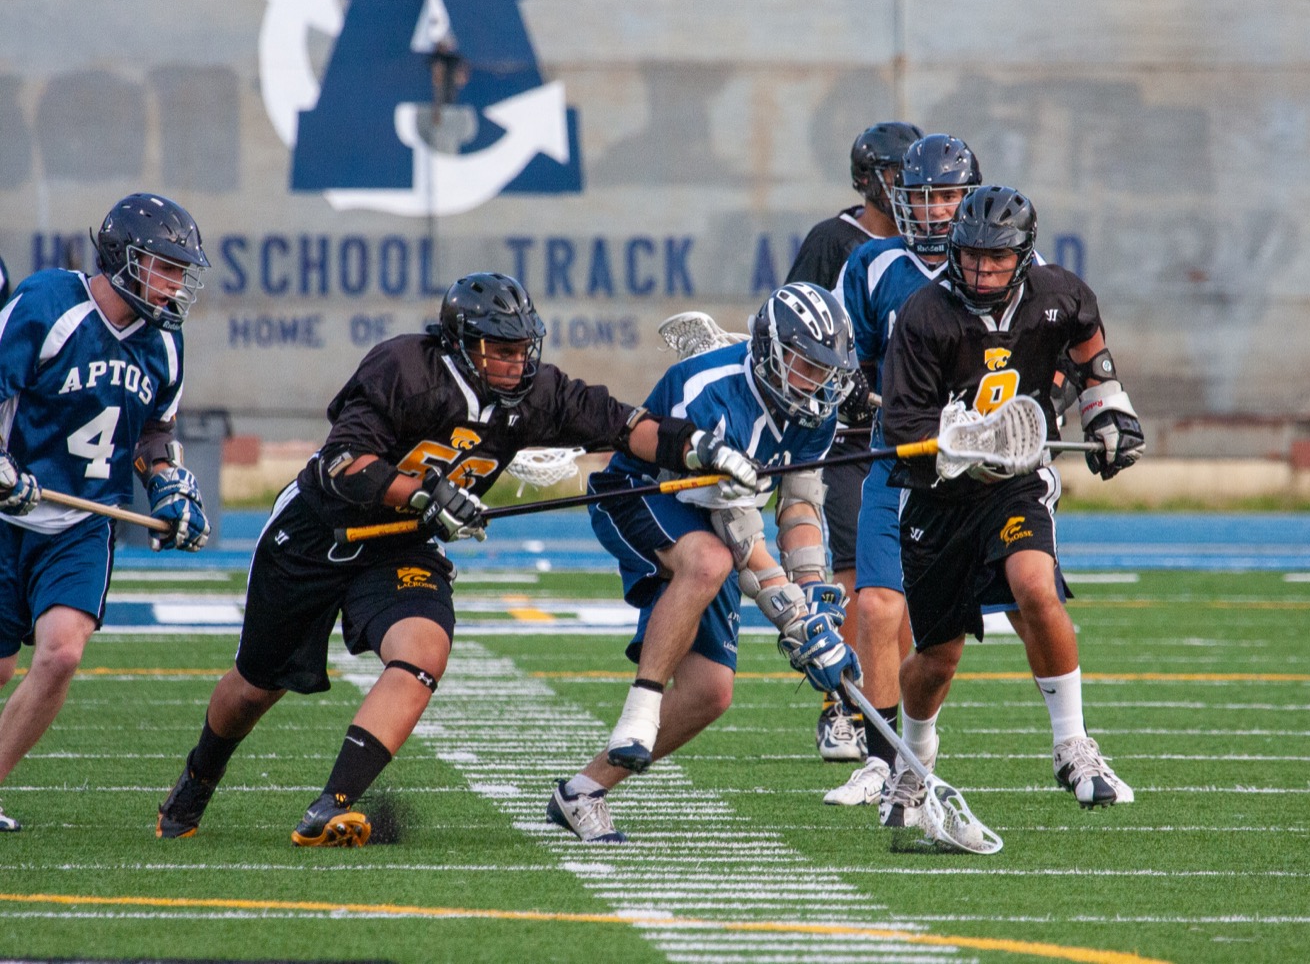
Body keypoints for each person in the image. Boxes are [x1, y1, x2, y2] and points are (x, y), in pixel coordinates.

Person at [155, 272, 766, 846]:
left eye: (523, 348)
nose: (516, 361)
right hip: (318, 535)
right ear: (461, 346)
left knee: (424, 650)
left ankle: (331, 804)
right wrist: (426, 494)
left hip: (397, 547)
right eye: (500, 350)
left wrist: (704, 451)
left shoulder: (537, 392)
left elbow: (624, 425)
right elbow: (343, 463)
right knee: (255, 688)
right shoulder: (403, 367)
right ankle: (198, 778)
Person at [547, 282, 861, 843]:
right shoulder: (713, 391)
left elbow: (801, 504)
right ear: (770, 352)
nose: (817, 381)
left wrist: (814, 598)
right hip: (639, 490)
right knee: (711, 560)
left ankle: (582, 791)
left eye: (826, 368)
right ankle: (639, 709)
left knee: (710, 691)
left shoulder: (816, 406)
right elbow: (738, 531)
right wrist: (791, 613)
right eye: (804, 365)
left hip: (711, 519)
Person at [876, 185, 1143, 827]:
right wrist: (959, 445)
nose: (983, 270)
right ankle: (913, 764)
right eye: (971, 257)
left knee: (1034, 586)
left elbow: (1093, 361)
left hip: (1017, 480)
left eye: (996, 258)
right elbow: (901, 433)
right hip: (939, 493)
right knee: (936, 655)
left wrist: (1109, 416)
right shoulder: (924, 315)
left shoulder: (1061, 295)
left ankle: (1073, 746)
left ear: (1023, 255)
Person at [0, 193, 212, 832]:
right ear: (124, 260)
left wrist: (170, 482)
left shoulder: (164, 345)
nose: (176, 285)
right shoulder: (46, 305)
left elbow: (152, 434)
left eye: (182, 271)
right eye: (166, 267)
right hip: (9, 514)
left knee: (62, 654)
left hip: (82, 523)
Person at [826, 133, 982, 811]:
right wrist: (854, 390)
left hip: (978, 476)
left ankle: (921, 747)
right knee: (879, 605)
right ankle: (884, 761)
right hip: (896, 461)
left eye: (950, 195)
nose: (940, 210)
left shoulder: (997, 264)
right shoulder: (871, 264)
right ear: (900, 200)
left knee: (948, 643)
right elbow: (837, 352)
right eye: (926, 197)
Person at [785, 120, 922, 763]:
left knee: (901, 592)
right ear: (867, 180)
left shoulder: (940, 249)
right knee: (854, 578)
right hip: (844, 433)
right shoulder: (835, 241)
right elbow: (801, 320)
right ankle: (842, 707)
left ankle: (891, 721)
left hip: (909, 440)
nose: (907, 190)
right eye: (896, 177)